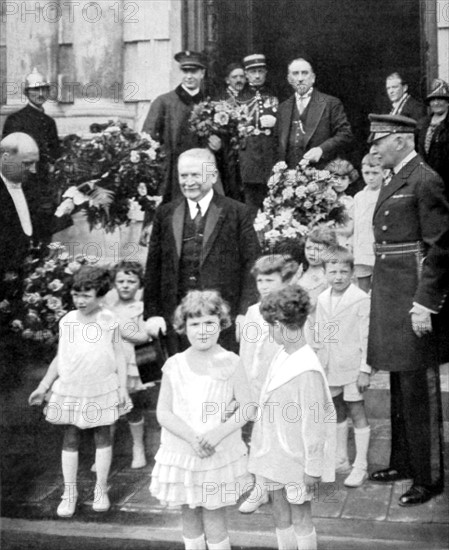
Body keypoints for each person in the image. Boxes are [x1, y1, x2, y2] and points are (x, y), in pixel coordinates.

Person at [367, 113, 449, 506]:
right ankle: (403, 462)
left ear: (400, 139)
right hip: (390, 293)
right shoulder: (397, 176)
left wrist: (425, 303)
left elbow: (441, 247)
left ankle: (429, 476)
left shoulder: (425, 178)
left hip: (413, 297)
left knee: (420, 389)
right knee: (401, 384)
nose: (374, 147)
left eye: (379, 140)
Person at [150, 290, 254, 550]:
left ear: (221, 324)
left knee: (214, 513)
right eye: (194, 324)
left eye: (210, 323)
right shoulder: (174, 364)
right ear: (183, 328)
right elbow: (164, 412)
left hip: (217, 453)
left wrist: (218, 433)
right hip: (183, 452)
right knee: (189, 511)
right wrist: (192, 438)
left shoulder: (231, 362)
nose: (202, 330)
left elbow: (248, 407)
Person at [28, 265, 131, 517]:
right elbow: (59, 359)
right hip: (72, 389)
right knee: (71, 436)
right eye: (76, 294)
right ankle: (69, 492)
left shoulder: (108, 320)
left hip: (102, 387)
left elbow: (119, 354)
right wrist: (43, 386)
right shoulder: (68, 321)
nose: (80, 300)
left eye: (87, 294)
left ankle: (100, 489)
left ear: (100, 295)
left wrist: (123, 388)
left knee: (102, 435)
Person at [144, 148, 260, 355]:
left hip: (223, 320)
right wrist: (152, 314)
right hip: (178, 321)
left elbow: (252, 265)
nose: (188, 182)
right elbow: (154, 267)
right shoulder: (165, 213)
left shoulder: (237, 212)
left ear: (213, 176)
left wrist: (245, 313)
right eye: (183, 176)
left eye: (196, 175)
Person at [248, 285, 336, 550]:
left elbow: (314, 422)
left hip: (297, 458)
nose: (269, 332)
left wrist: (313, 468)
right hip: (274, 453)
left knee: (300, 514)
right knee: (279, 510)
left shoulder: (307, 368)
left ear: (281, 324)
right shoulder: (282, 354)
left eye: (271, 326)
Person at [238, 254, 298, 514]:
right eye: (260, 280)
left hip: (286, 383)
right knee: (259, 436)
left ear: (283, 280)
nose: (263, 285)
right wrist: (243, 385)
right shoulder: (253, 311)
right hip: (258, 383)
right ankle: (260, 488)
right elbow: (247, 351)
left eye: (270, 280)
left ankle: (292, 482)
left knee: (288, 433)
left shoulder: (292, 310)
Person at [314, 246, 371, 488]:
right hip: (330, 367)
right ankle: (341, 459)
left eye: (344, 272)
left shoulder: (360, 298)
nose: (338, 277)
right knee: (336, 411)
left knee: (356, 410)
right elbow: (319, 334)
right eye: (333, 271)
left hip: (352, 366)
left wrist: (365, 369)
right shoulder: (322, 298)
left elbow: (367, 336)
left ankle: (361, 465)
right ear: (325, 272)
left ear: (352, 274)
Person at [142, 51, 221, 203]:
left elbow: (220, 140)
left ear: (202, 73)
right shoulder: (164, 102)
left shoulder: (212, 104)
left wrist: (218, 144)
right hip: (173, 174)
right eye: (185, 71)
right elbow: (147, 140)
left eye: (194, 71)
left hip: (204, 171)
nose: (189, 76)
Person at [2, 68, 62, 244]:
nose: (40, 93)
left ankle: (42, 269)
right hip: (25, 186)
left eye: (44, 89)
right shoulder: (16, 120)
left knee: (44, 233)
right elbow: (7, 157)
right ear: (27, 92)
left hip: (45, 187)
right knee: (22, 233)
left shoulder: (50, 122)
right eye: (35, 90)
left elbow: (56, 154)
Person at [108, 260, 152, 469]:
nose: (125, 285)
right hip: (109, 364)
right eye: (121, 281)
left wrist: (121, 329)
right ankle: (106, 449)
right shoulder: (108, 307)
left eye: (131, 281)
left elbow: (144, 336)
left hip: (131, 363)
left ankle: (138, 447)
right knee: (108, 406)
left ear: (139, 283)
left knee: (131, 405)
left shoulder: (141, 307)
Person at [275, 57, 353, 170]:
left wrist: (321, 149)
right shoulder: (282, 108)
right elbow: (276, 143)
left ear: (313, 78)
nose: (300, 78)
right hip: (290, 176)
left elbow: (345, 134)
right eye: (295, 74)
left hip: (321, 173)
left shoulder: (330, 103)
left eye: (305, 73)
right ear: (289, 79)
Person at [238, 54, 279, 219]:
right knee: (251, 204)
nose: (256, 75)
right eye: (253, 72)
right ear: (246, 74)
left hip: (271, 155)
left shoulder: (276, 93)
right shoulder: (239, 97)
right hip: (249, 157)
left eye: (260, 71)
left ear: (266, 73)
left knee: (274, 201)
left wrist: (277, 122)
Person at [0, 132, 40, 292]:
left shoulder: (33, 187)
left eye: (35, 163)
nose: (34, 170)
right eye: (27, 163)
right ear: (5, 158)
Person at [353, 153, 386, 292]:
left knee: (380, 289)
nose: (371, 177)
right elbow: (356, 226)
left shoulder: (385, 194)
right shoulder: (359, 197)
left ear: (384, 172)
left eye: (375, 173)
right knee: (362, 291)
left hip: (378, 249)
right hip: (361, 249)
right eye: (367, 173)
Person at [415, 78, 449, 193]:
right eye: (433, 99)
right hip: (425, 182)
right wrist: (404, 178)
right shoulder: (421, 125)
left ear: (447, 101)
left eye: (440, 98)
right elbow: (414, 153)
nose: (436, 102)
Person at [325, 158, 359, 249]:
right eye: (335, 178)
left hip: (342, 242)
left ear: (350, 180)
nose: (339, 182)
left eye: (343, 178)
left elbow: (350, 229)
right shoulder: (321, 199)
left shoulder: (350, 202)